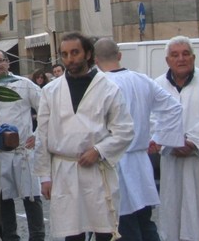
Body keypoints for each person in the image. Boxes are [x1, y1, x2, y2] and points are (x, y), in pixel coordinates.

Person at [34, 32, 133, 241]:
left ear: (88, 54)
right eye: (65, 54)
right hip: (64, 169)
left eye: (75, 52)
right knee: (72, 232)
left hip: (97, 170)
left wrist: (99, 151)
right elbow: (42, 135)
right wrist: (44, 176)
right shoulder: (50, 91)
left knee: (105, 230)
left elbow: (124, 130)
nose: (70, 59)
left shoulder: (108, 88)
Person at [94, 38, 184, 241]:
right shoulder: (142, 80)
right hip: (140, 162)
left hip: (113, 162)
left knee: (124, 225)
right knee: (145, 222)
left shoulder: (99, 85)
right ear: (119, 55)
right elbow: (173, 108)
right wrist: (159, 138)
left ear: (95, 60)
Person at [154, 36, 199, 241]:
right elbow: (152, 119)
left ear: (194, 58)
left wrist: (192, 141)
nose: (181, 59)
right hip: (172, 160)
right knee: (174, 213)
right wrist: (171, 142)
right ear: (167, 60)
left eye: (185, 54)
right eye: (175, 55)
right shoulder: (158, 85)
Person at [0, 48, 45, 241]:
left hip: (23, 151)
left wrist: (37, 135)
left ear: (7, 62)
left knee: (31, 197)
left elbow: (46, 109)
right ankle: (10, 237)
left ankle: (37, 236)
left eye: (0, 60)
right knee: (4, 199)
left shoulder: (24, 85)